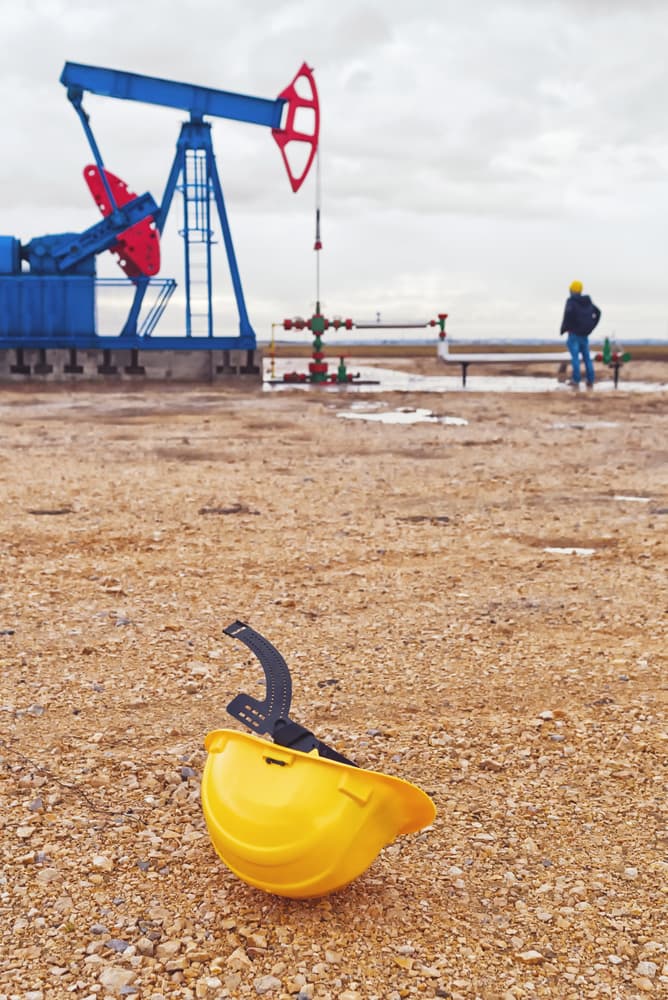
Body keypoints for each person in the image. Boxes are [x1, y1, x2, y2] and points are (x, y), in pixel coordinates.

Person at [560, 280, 601, 389]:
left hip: (574, 334)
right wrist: (591, 326)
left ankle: (576, 380)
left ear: (572, 290)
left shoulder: (571, 301)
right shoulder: (587, 302)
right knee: (587, 357)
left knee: (575, 358)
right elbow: (598, 312)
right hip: (584, 335)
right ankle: (590, 380)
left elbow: (567, 316)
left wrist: (564, 329)